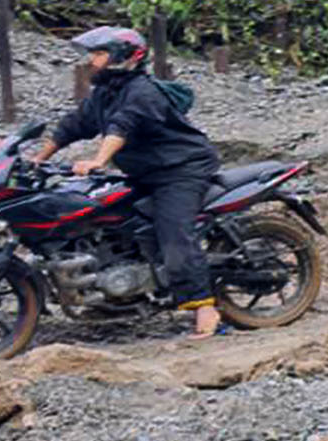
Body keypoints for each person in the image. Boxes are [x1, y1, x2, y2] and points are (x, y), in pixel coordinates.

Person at [33, 27, 220, 338]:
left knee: (174, 232)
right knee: (106, 219)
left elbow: (122, 127)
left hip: (181, 170)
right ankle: (114, 294)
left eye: (100, 54)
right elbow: (74, 125)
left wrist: (97, 161)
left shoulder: (142, 92)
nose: (93, 61)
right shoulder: (106, 94)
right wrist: (39, 158)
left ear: (123, 57)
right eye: (93, 55)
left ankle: (204, 307)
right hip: (144, 173)